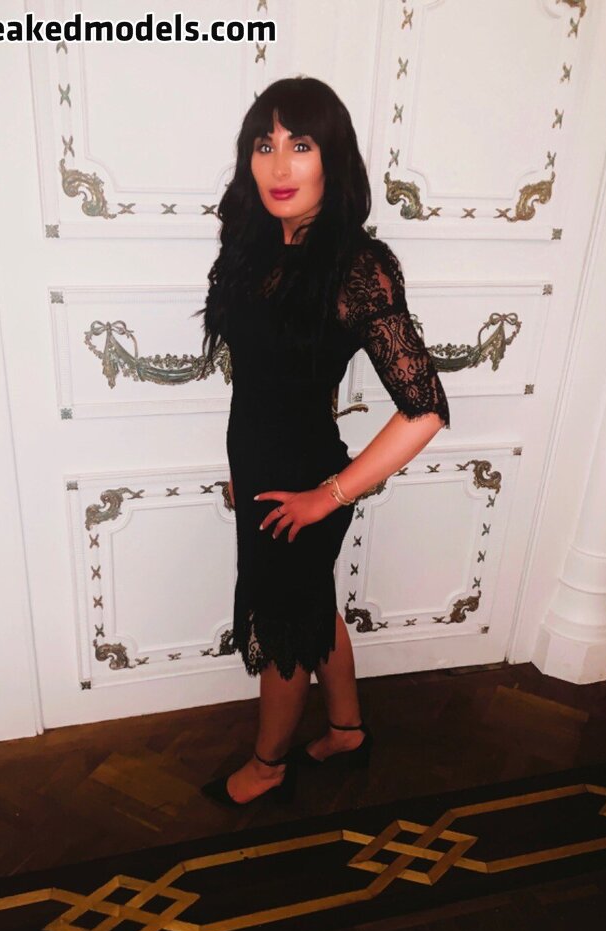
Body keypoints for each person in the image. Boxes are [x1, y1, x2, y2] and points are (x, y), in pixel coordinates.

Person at [196, 77, 450, 807]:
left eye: (300, 145)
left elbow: (425, 410)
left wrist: (326, 497)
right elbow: (261, 386)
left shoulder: (355, 267)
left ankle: (268, 767)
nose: (278, 165)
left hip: (304, 484)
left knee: (283, 630)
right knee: (311, 606)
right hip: (263, 474)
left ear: (331, 159)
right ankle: (346, 731)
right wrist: (242, 469)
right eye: (264, 144)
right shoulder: (253, 248)